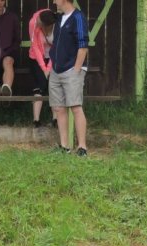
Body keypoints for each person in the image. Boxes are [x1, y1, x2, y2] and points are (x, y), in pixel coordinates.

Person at [50, 0, 88, 155]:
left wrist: (76, 70)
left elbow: (83, 46)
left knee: (76, 107)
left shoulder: (78, 17)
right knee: (59, 108)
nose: (53, 1)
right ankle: (64, 146)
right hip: (56, 69)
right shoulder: (59, 18)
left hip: (72, 69)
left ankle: (82, 147)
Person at [27, 8, 56, 128]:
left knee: (54, 85)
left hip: (54, 58)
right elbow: (35, 47)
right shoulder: (33, 23)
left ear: (47, 26)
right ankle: (36, 120)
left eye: (39, 23)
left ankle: (56, 119)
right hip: (36, 58)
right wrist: (44, 68)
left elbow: (57, 49)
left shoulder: (57, 26)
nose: (37, 23)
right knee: (40, 85)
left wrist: (49, 67)